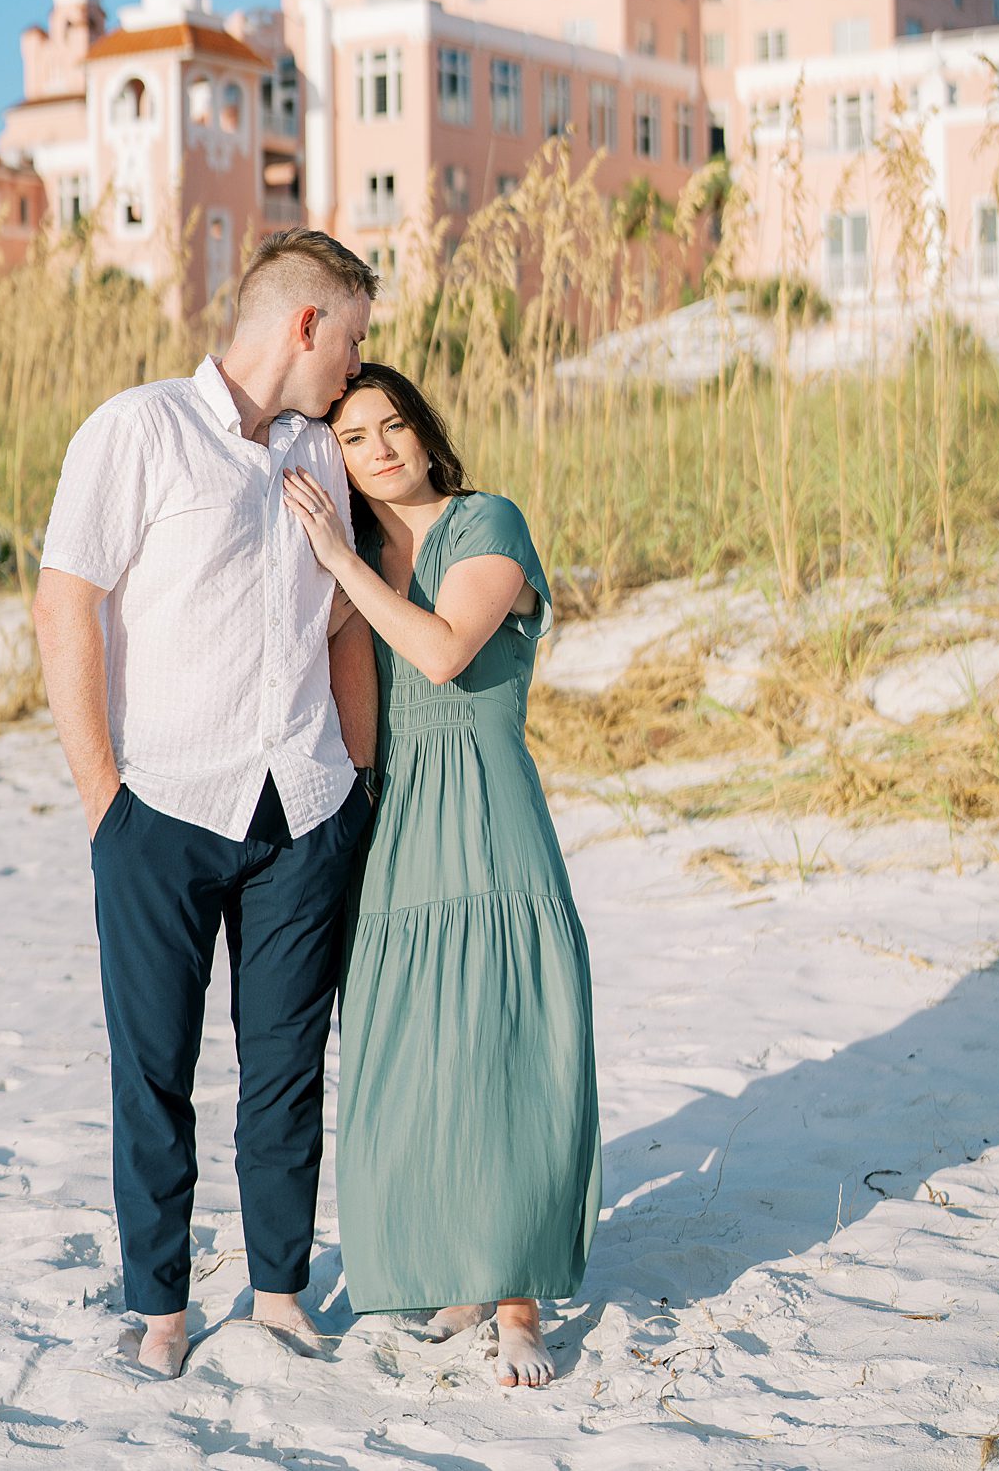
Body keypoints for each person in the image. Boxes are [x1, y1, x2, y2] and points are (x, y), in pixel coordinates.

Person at [33, 229, 380, 1380]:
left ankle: (280, 1293)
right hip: (162, 809)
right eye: (354, 338)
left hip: (302, 807)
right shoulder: (137, 429)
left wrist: (357, 789)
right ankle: (163, 1307)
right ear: (306, 324)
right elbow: (65, 605)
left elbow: (332, 618)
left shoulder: (320, 456)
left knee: (287, 1067)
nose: (356, 365)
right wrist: (102, 798)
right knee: (156, 1068)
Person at [281, 361, 601, 1390]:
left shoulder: (487, 522)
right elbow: (361, 706)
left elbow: (446, 652)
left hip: (487, 802)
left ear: (423, 432)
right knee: (411, 1036)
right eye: (354, 437)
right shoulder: (365, 553)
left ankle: (517, 1300)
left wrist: (338, 558)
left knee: (502, 1035)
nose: (379, 448)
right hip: (401, 810)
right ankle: (459, 1262)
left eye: (392, 425)